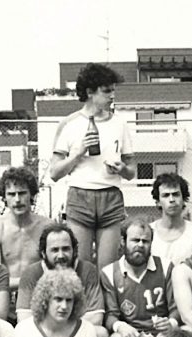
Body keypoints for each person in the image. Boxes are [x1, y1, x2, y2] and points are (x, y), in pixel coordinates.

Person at [49, 62, 134, 266]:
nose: (112, 96)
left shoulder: (119, 124)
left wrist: (122, 169)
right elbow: (54, 173)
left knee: (108, 269)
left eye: (113, 91)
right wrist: (77, 154)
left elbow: (132, 171)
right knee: (81, 267)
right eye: (106, 91)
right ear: (89, 92)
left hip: (110, 196)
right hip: (80, 195)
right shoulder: (70, 124)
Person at [16, 223, 109, 337]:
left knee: (99, 333)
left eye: (66, 249)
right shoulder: (31, 273)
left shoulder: (87, 270)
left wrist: (66, 324)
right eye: (54, 250)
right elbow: (25, 318)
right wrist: (53, 325)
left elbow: (96, 317)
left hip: (73, 334)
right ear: (43, 253)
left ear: (74, 250)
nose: (61, 255)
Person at [101, 218, 178, 337]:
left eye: (145, 241)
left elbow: (176, 310)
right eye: (135, 240)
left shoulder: (166, 267)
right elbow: (109, 315)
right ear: (123, 242)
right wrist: (121, 326)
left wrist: (170, 323)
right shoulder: (110, 273)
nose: (140, 246)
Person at [0, 166, 51, 293]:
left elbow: (55, 272)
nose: (17, 200)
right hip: (4, 297)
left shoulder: (47, 228)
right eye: (11, 194)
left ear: (31, 194)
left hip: (40, 295)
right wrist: (28, 282)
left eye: (22, 193)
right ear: (4, 197)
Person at [150, 173, 192, 264]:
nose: (171, 199)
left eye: (176, 194)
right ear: (158, 202)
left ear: (184, 199)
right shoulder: (148, 232)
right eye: (166, 195)